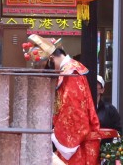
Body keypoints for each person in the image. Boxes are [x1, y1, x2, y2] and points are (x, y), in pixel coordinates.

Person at [29, 36, 100, 164]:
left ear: (50, 59)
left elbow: (74, 114)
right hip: (77, 143)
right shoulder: (68, 70)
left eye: (45, 67)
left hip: (77, 145)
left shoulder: (70, 73)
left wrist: (55, 134)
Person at [95, 75, 121, 146]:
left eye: (96, 84)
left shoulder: (110, 109)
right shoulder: (82, 108)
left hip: (104, 150)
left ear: (102, 90)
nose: (93, 87)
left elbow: (118, 131)